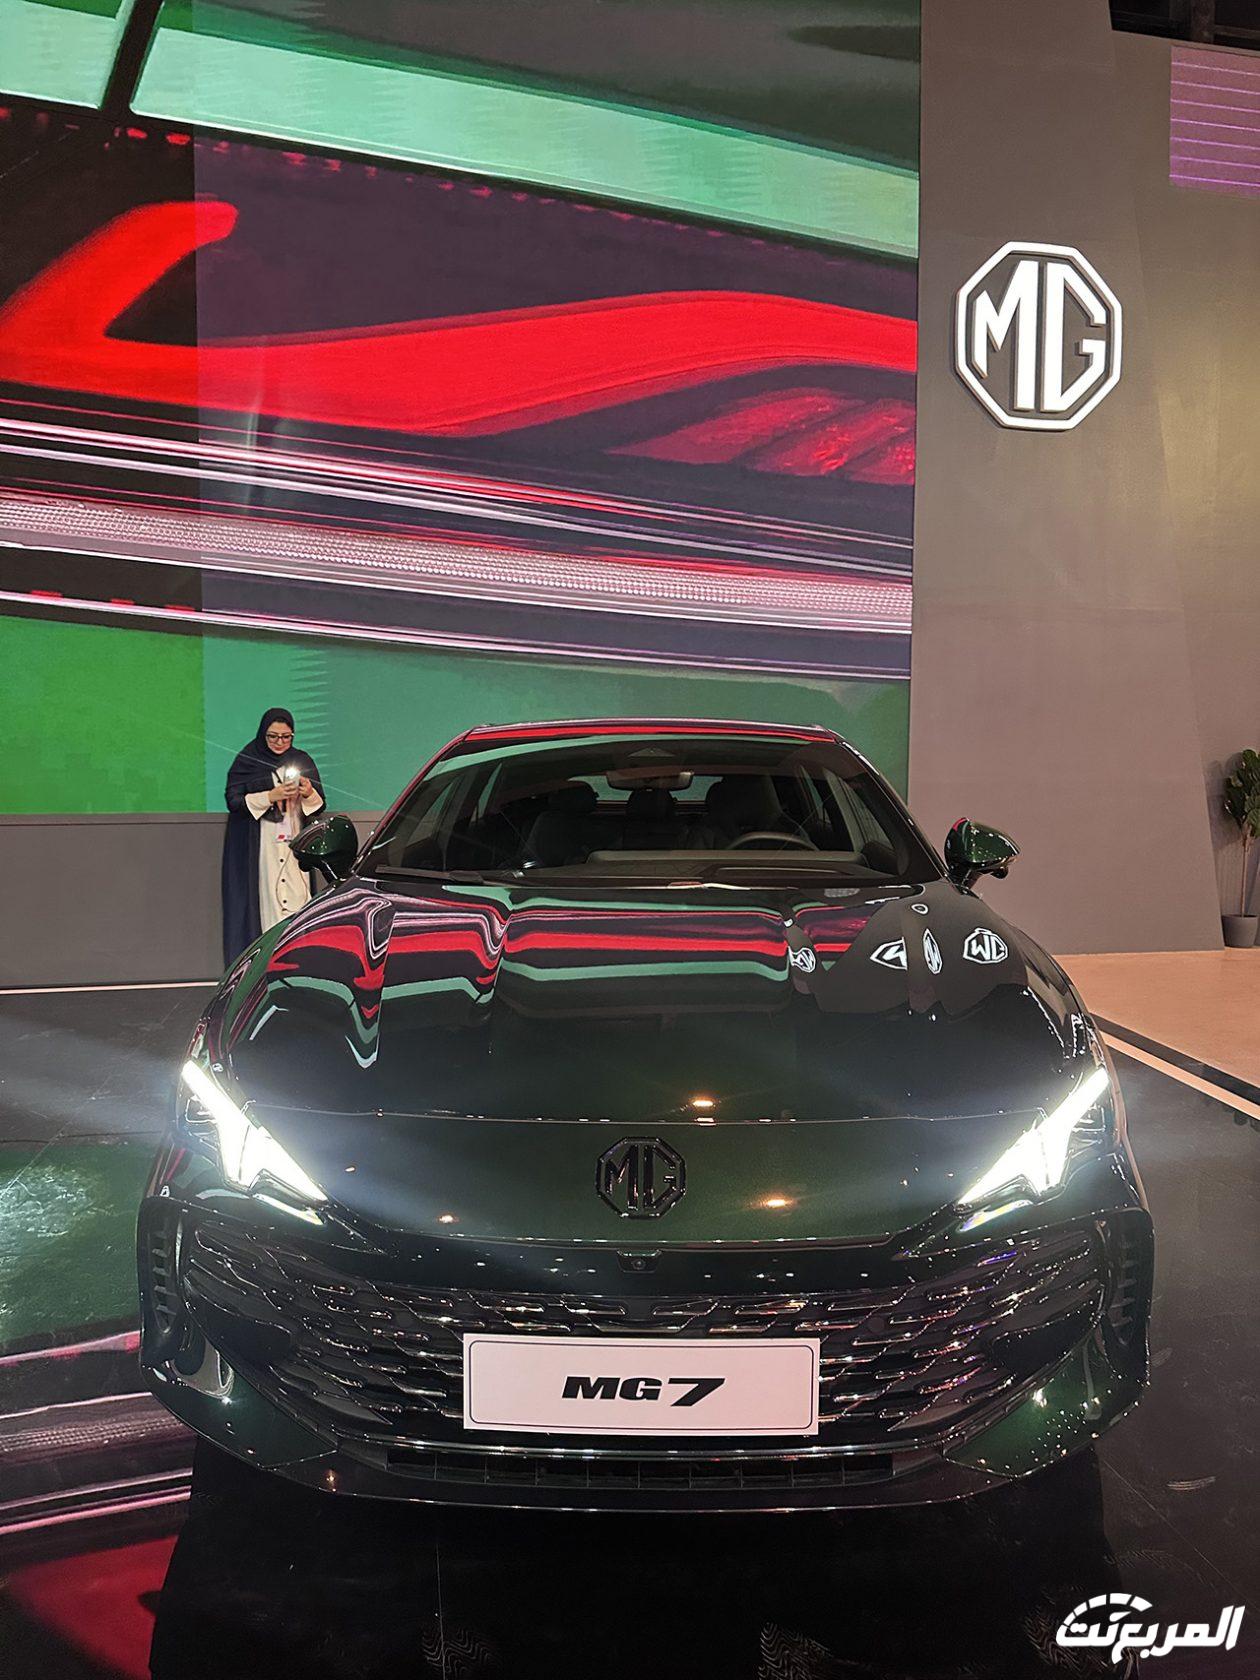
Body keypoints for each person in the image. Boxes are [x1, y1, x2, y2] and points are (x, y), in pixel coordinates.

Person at [221, 708, 325, 963]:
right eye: (273, 736)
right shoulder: (248, 760)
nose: (280, 742)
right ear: (263, 734)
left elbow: (318, 805)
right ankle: (266, 964)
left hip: (293, 845)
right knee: (266, 905)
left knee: (298, 902)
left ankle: (298, 961)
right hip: (262, 848)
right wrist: (270, 796)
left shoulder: (302, 760)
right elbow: (234, 801)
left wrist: (308, 792)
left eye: (286, 737)